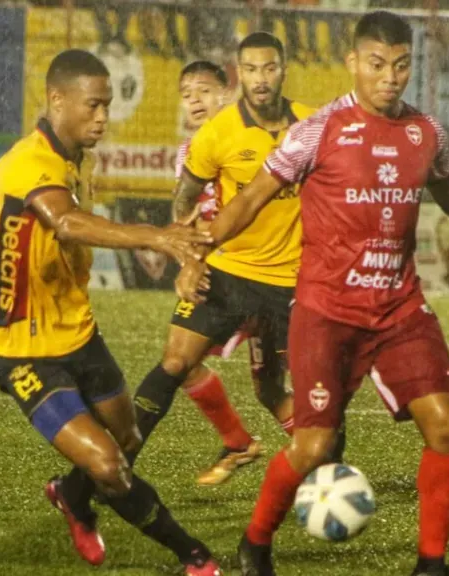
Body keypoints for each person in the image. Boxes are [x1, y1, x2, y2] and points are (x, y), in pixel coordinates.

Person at [176, 11, 449, 576]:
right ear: (352, 63)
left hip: (400, 309)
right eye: (377, 64)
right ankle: (256, 542)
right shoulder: (316, 131)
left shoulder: (427, 132)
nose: (390, 77)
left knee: (447, 424)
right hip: (327, 312)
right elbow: (249, 200)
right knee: (313, 449)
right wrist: (196, 249)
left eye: (401, 65)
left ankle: (431, 564)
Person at [0, 49, 220, 576]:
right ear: (56, 100)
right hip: (19, 347)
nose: (103, 117)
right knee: (109, 464)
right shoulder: (28, 162)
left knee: (126, 441)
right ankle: (195, 557)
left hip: (77, 332)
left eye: (107, 105)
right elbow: (68, 223)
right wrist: (157, 236)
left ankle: (68, 493)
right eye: (93, 106)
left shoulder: (76, 157)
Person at [131, 33, 317, 486]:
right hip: (227, 275)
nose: (194, 102)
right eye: (186, 95)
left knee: (273, 389)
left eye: (205, 92)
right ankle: (115, 466)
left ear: (229, 91)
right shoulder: (197, 150)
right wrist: (191, 260)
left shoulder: (297, 130)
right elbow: (190, 211)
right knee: (179, 359)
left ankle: (318, 468)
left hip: (283, 281)